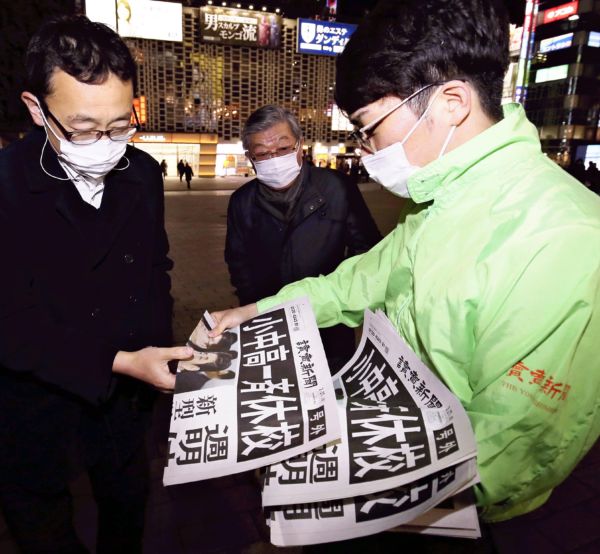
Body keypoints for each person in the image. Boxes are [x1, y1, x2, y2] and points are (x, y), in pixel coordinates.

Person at [210, 0, 600, 531]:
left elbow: (514, 442)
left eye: (369, 128)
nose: (366, 149)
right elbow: (361, 279)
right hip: (401, 456)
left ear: (451, 102)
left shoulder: (566, 237)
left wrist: (327, 477)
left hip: (458, 509)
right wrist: (260, 310)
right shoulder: (442, 197)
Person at [0, 15, 193, 553]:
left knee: (127, 518)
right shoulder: (7, 189)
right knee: (45, 533)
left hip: (126, 407)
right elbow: (9, 322)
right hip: (34, 405)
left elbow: (156, 268)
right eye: (84, 129)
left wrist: (158, 350)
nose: (106, 144)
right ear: (37, 109)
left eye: (120, 124)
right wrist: (118, 359)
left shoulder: (142, 174)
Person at [225, 105, 381, 371]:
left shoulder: (337, 188)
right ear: (250, 157)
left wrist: (348, 302)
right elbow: (238, 263)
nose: (274, 158)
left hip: (330, 324)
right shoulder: (242, 202)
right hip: (269, 321)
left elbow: (366, 252)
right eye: (263, 153)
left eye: (283, 148)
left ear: (299, 146)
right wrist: (254, 309)